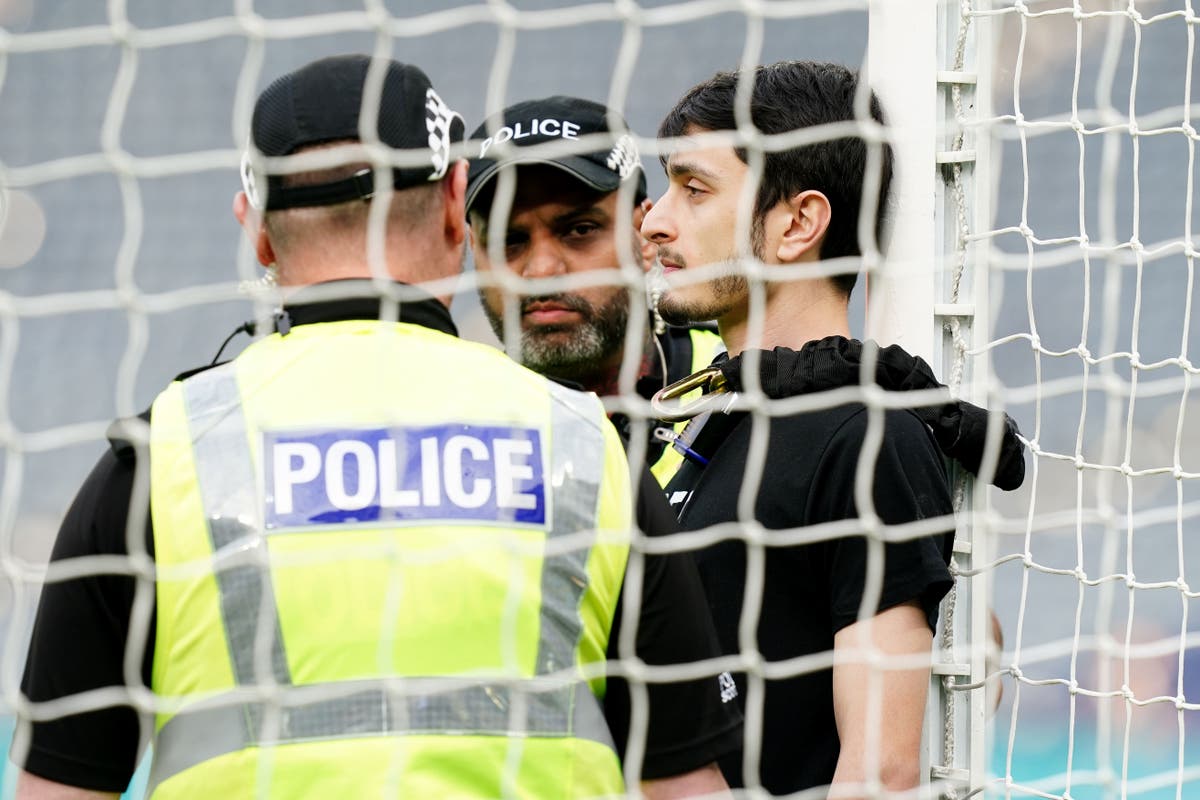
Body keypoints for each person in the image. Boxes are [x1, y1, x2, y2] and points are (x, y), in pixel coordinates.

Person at [12, 55, 739, 800]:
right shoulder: (586, 451)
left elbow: (56, 789)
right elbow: (687, 787)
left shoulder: (163, 457)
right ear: (459, 207)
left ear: (257, 233)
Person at [639, 60, 969, 796]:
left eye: (693, 190)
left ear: (797, 224)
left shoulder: (863, 438)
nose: (655, 218)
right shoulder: (701, 425)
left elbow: (878, 771)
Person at [464, 95, 724, 485]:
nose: (541, 271)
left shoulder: (741, 390)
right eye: (508, 240)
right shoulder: (451, 424)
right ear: (472, 248)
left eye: (579, 230)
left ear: (644, 234)